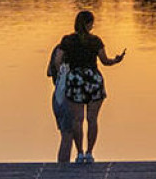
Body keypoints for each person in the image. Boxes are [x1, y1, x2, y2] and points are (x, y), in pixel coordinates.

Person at [51, 10, 125, 164]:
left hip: (75, 80)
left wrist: (63, 74)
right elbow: (105, 61)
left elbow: (57, 61)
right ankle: (90, 153)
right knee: (92, 119)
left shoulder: (67, 41)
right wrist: (116, 60)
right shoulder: (95, 41)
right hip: (93, 80)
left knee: (77, 119)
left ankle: (79, 154)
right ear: (88, 24)